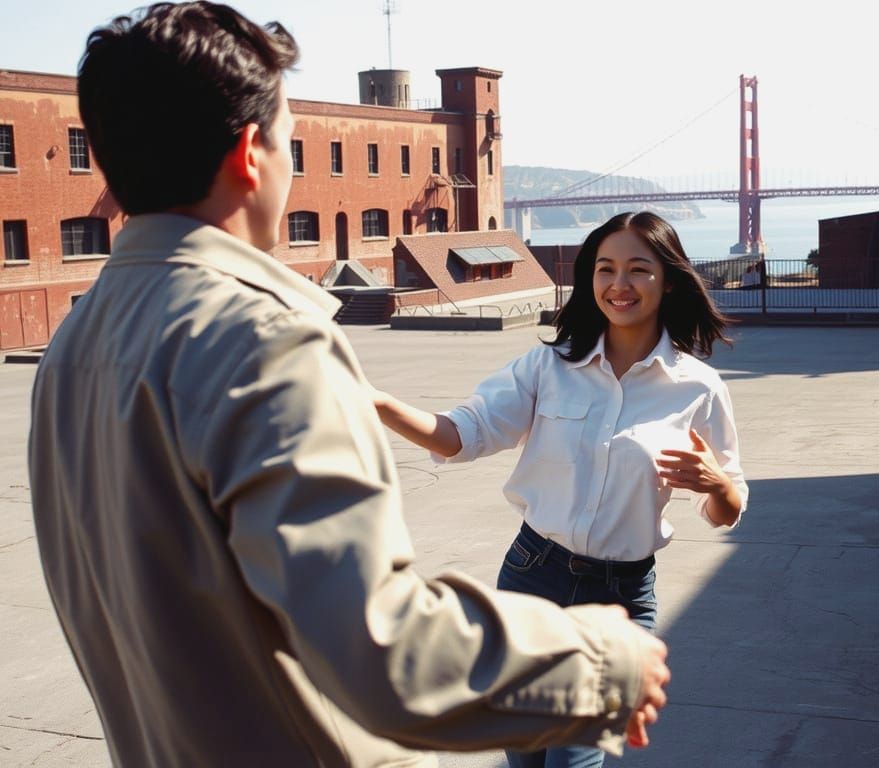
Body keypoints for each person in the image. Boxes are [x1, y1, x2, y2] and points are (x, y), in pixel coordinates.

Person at [27, 4, 670, 766]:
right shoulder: (260, 339)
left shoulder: (74, 341)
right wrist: (601, 660)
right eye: (287, 139)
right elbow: (384, 656)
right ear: (249, 155)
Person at [375, 210, 749, 768]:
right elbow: (459, 435)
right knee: (524, 756)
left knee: (576, 759)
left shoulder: (697, 387)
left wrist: (718, 485)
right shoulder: (547, 367)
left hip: (621, 597)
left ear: (668, 279)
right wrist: (374, 403)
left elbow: (725, 510)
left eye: (638, 270)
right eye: (605, 269)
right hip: (533, 574)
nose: (619, 285)